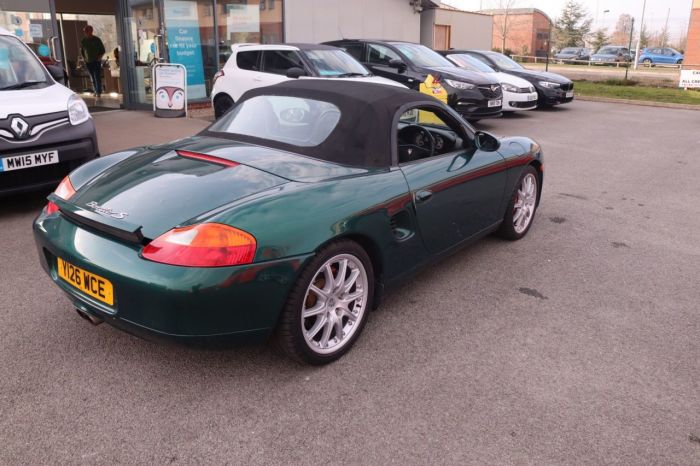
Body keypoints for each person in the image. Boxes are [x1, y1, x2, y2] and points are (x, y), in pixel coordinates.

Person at [80, 25, 105, 97]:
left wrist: (99, 58)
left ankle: (98, 91)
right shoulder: (83, 41)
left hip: (96, 61)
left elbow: (102, 50)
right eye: (84, 31)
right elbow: (82, 51)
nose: (85, 32)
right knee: (92, 76)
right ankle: (95, 90)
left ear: (91, 31)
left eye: (86, 31)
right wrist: (84, 59)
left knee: (97, 76)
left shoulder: (97, 40)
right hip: (88, 61)